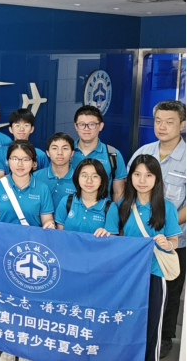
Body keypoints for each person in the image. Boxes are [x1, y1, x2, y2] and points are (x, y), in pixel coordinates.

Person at [0, 140, 54, 361]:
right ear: (8, 161)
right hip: (3, 252)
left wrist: (50, 225)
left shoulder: (42, 188)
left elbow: (47, 219)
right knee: (7, 299)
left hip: (32, 255)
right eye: (15, 159)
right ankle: (8, 344)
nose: (20, 164)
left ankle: (27, 346)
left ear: (34, 163)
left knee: (29, 302)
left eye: (25, 159)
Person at [127, 100, 186, 358]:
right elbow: (129, 190)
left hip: (171, 241)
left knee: (168, 293)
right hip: (137, 246)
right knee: (138, 292)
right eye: (158, 121)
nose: (162, 126)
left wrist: (163, 224)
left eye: (169, 122)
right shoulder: (144, 151)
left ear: (182, 125)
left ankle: (164, 338)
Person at [118, 155, 181, 361]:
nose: (142, 180)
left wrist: (167, 244)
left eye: (149, 175)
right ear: (130, 177)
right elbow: (117, 238)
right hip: (128, 275)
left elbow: (175, 241)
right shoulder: (122, 205)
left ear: (157, 179)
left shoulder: (166, 207)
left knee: (152, 324)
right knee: (126, 321)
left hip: (155, 273)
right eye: (137, 174)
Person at [71, 105, 127, 202]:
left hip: (102, 210)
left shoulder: (113, 155)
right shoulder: (65, 152)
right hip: (70, 209)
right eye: (82, 124)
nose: (86, 128)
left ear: (101, 126)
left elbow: (118, 192)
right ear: (76, 126)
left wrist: (114, 211)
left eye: (91, 124)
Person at [54, 158, 119, 236]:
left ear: (101, 180)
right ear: (77, 178)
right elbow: (60, 236)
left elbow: (112, 239)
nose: (89, 181)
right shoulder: (66, 201)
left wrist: (106, 234)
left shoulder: (110, 207)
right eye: (84, 175)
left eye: (95, 176)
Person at [0, 109, 50, 180]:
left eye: (26, 125)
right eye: (17, 125)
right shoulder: (1, 152)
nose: (21, 129)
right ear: (10, 129)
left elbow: (45, 179)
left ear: (32, 129)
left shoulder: (40, 155)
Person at [34, 132, 76, 210]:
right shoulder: (35, 177)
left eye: (65, 148)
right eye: (54, 148)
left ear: (72, 153)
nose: (60, 153)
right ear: (48, 153)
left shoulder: (79, 179)